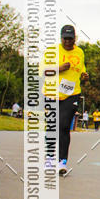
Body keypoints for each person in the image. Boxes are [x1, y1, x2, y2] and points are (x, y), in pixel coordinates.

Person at [41, 24, 89, 176]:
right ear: (60, 38)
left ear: (75, 38)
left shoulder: (80, 52)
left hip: (71, 94)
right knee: (51, 126)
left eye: (71, 39)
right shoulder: (51, 51)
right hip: (51, 93)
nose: (68, 42)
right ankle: (49, 159)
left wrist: (84, 75)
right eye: (65, 39)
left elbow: (81, 69)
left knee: (63, 125)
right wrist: (59, 68)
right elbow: (43, 71)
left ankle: (62, 162)